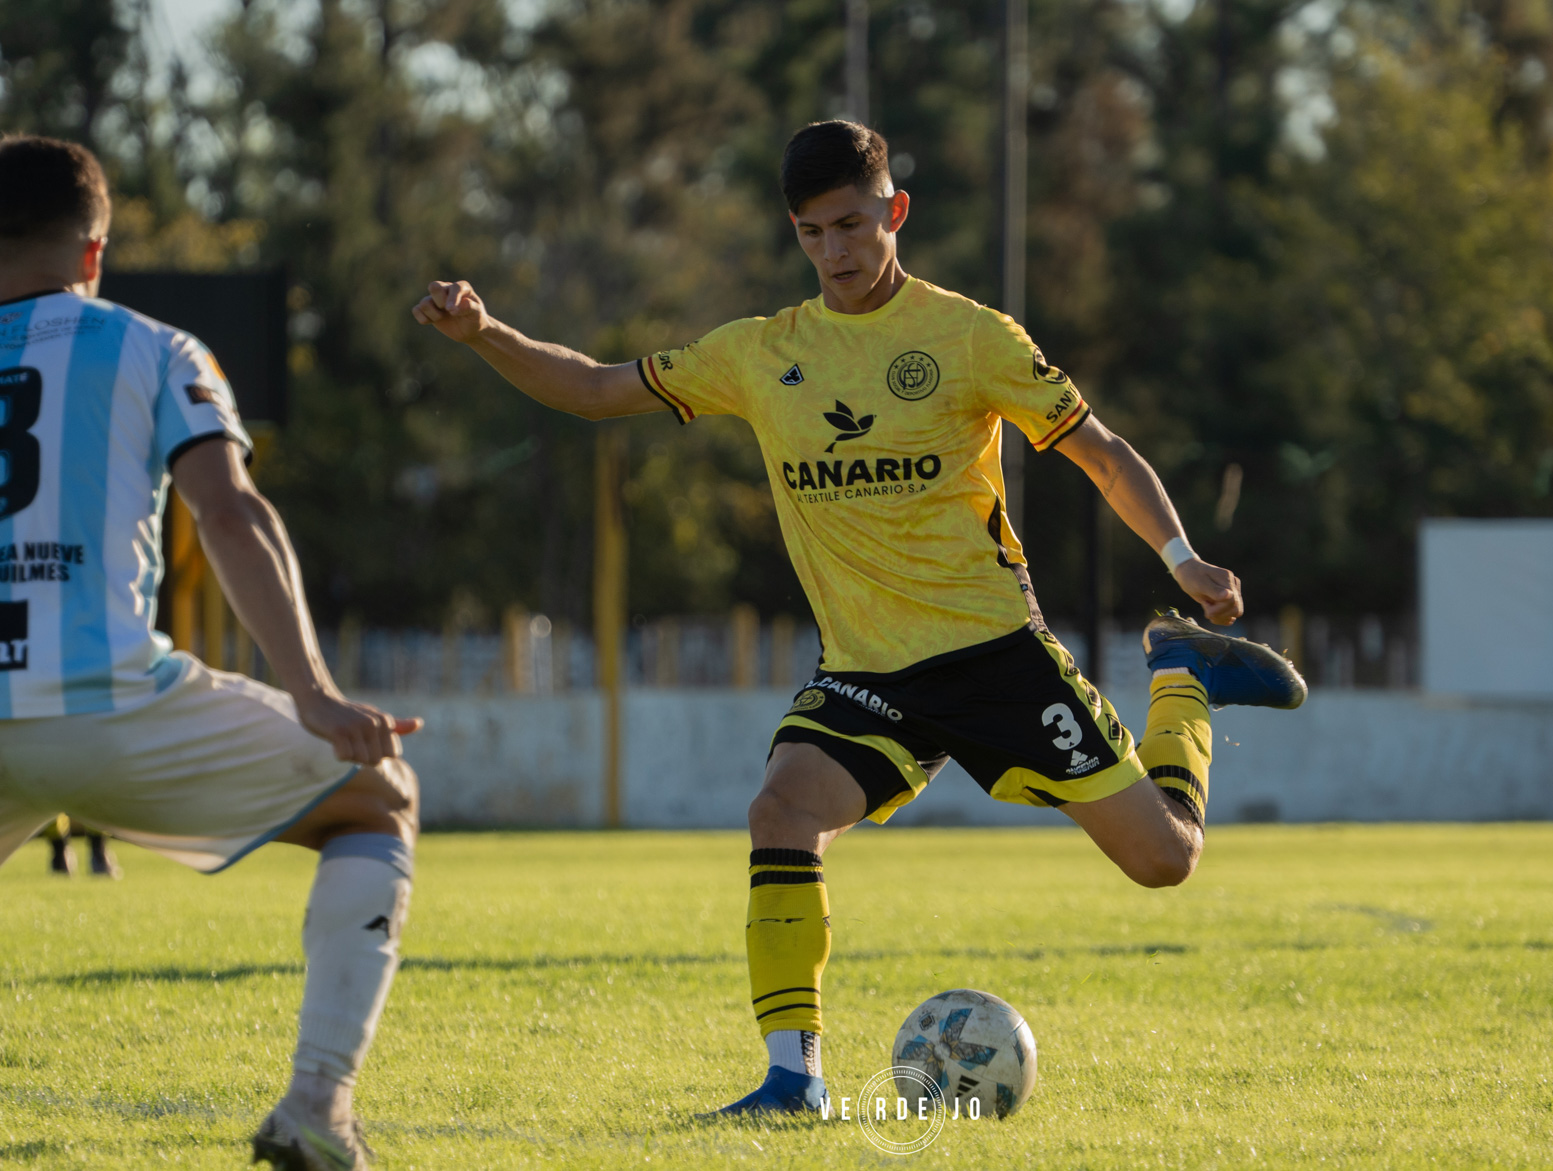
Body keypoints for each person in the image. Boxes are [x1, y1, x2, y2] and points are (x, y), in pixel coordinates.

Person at [413, 120, 1305, 1115]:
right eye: (812, 232)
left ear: (895, 211)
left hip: (997, 659)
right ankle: (793, 1079)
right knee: (781, 809)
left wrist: (1180, 556)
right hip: (868, 676)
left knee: (1164, 860)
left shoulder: (969, 337)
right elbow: (590, 387)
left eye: (851, 224)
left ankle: (1182, 679)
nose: (835, 251)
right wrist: (485, 333)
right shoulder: (761, 353)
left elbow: (1099, 449)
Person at [0, 135, 422, 1171]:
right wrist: (314, 692)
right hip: (110, 708)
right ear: (95, 253)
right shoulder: (157, 346)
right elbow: (230, 512)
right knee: (377, 798)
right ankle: (318, 1100)